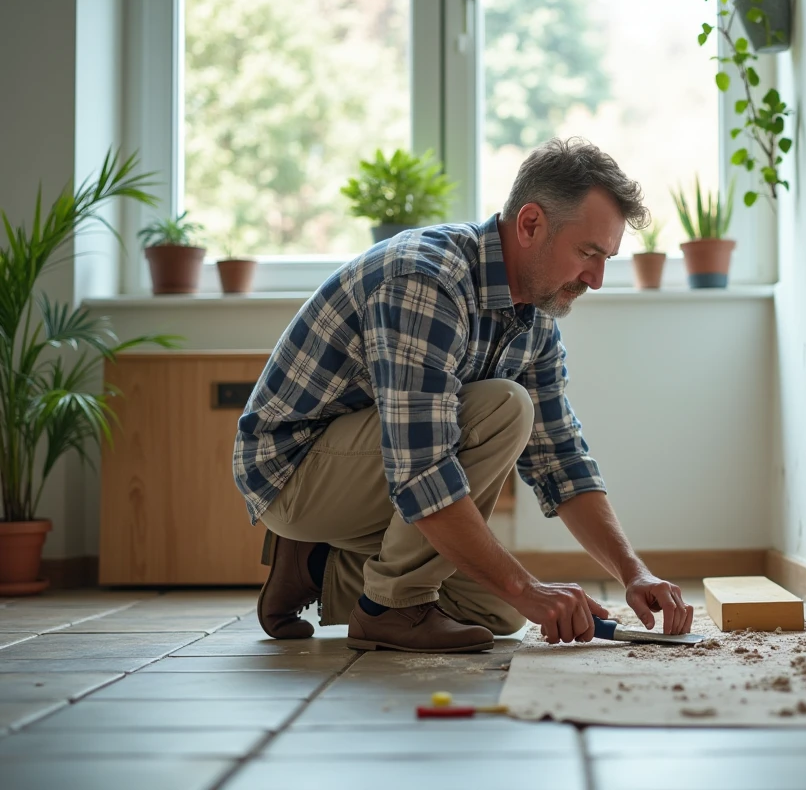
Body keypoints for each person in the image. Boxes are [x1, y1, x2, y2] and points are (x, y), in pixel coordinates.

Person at [232, 137, 695, 654]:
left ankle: (314, 569)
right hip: (292, 471)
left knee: (495, 611)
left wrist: (634, 573)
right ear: (530, 224)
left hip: (370, 475)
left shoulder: (536, 318)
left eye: (606, 258)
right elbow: (423, 468)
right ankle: (390, 608)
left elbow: (559, 458)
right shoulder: (426, 281)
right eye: (588, 253)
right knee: (505, 408)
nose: (598, 278)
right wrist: (530, 588)